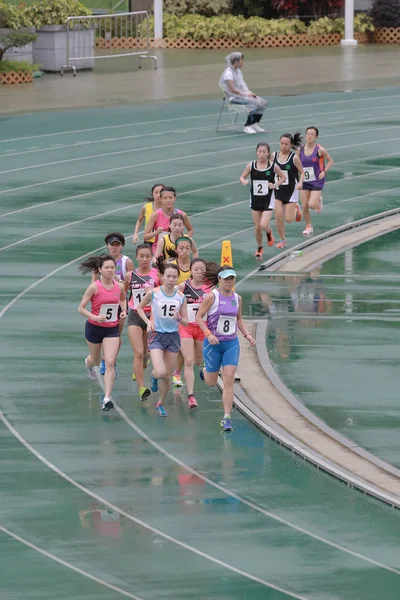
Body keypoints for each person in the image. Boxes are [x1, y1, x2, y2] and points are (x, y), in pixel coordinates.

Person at [196, 265, 255, 432]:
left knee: (229, 378)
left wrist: (246, 334)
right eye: (226, 278)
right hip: (213, 344)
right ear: (219, 279)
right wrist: (208, 334)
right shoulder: (211, 297)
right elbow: (199, 316)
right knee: (211, 382)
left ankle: (227, 418)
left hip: (231, 344)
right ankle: (206, 370)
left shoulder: (238, 298)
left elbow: (239, 319)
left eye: (232, 279)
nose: (229, 282)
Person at [136, 261, 188, 417]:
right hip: (157, 335)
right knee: (160, 371)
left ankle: (160, 404)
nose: (171, 279)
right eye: (168, 276)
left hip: (173, 337)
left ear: (177, 278)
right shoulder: (154, 293)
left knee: (167, 375)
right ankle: (153, 375)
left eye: (174, 277)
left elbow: (186, 321)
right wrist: (148, 322)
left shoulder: (181, 296)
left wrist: (179, 318)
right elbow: (139, 308)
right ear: (163, 277)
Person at [78, 254, 127, 411]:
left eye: (112, 267)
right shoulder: (94, 287)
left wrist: (123, 311)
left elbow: (123, 299)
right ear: (100, 269)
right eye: (106, 267)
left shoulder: (119, 286)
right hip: (94, 327)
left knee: (110, 361)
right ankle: (89, 364)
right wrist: (95, 317)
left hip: (111, 328)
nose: (110, 270)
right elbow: (81, 308)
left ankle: (107, 398)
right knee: (96, 360)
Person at [124, 243, 159, 401]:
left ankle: (139, 368)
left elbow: (164, 293)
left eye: (147, 256)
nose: (145, 259)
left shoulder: (157, 275)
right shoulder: (130, 276)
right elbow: (124, 293)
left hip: (151, 317)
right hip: (135, 315)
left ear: (151, 257)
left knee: (146, 355)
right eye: (141, 256)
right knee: (138, 353)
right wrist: (124, 309)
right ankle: (141, 388)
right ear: (136, 257)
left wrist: (153, 292)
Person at [177, 258, 213, 408]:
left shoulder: (210, 289)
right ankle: (191, 396)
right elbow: (173, 302)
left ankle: (176, 371)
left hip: (201, 329)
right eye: (196, 269)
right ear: (190, 271)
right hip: (185, 327)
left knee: (198, 361)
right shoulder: (183, 287)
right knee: (189, 360)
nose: (199, 272)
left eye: (202, 269)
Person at [240, 142, 286, 259]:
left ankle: (269, 231)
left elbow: (283, 177)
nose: (261, 154)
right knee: (257, 227)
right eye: (259, 152)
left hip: (268, 200)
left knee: (263, 224)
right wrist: (243, 181)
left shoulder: (273, 166)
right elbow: (242, 176)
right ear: (256, 152)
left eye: (264, 152)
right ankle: (260, 247)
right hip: (255, 200)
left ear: (268, 153)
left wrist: (275, 185)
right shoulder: (251, 165)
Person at [97, 232, 134, 376]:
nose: (114, 248)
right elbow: (94, 280)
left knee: (115, 335)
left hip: (119, 302)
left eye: (117, 245)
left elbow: (133, 282)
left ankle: (112, 361)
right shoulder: (101, 261)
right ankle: (104, 360)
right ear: (107, 246)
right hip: (103, 303)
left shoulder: (127, 262)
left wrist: (121, 284)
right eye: (112, 245)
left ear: (122, 246)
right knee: (103, 333)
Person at [219, 52, 267, 135]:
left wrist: (250, 93)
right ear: (236, 61)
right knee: (254, 104)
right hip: (234, 98)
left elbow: (243, 86)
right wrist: (245, 95)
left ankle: (254, 123)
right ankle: (247, 126)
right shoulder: (228, 73)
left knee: (263, 102)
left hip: (242, 96)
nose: (242, 62)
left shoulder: (238, 72)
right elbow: (233, 90)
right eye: (241, 60)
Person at [299, 126, 334, 237]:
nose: (309, 136)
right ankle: (309, 226)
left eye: (312, 134)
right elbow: (296, 163)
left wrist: (324, 171)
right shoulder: (300, 150)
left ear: (316, 137)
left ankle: (318, 201)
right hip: (305, 180)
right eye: (308, 134)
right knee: (304, 206)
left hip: (317, 181)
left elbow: (330, 160)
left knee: (312, 205)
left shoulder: (320, 150)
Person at [271, 133, 304, 249]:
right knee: (278, 215)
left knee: (289, 219)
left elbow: (302, 172)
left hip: (291, 190)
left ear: (291, 145)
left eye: (286, 144)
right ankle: (282, 239)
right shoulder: (273, 156)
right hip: (278, 190)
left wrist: (300, 183)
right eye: (282, 143)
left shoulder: (294, 158)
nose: (284, 146)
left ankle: (296, 208)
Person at [143, 186, 193, 253]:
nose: (168, 200)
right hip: (159, 253)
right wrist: (156, 232)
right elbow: (145, 237)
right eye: (165, 198)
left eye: (170, 198)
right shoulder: (155, 215)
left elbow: (190, 230)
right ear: (161, 199)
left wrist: (184, 239)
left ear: (174, 198)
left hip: (177, 252)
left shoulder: (182, 214)